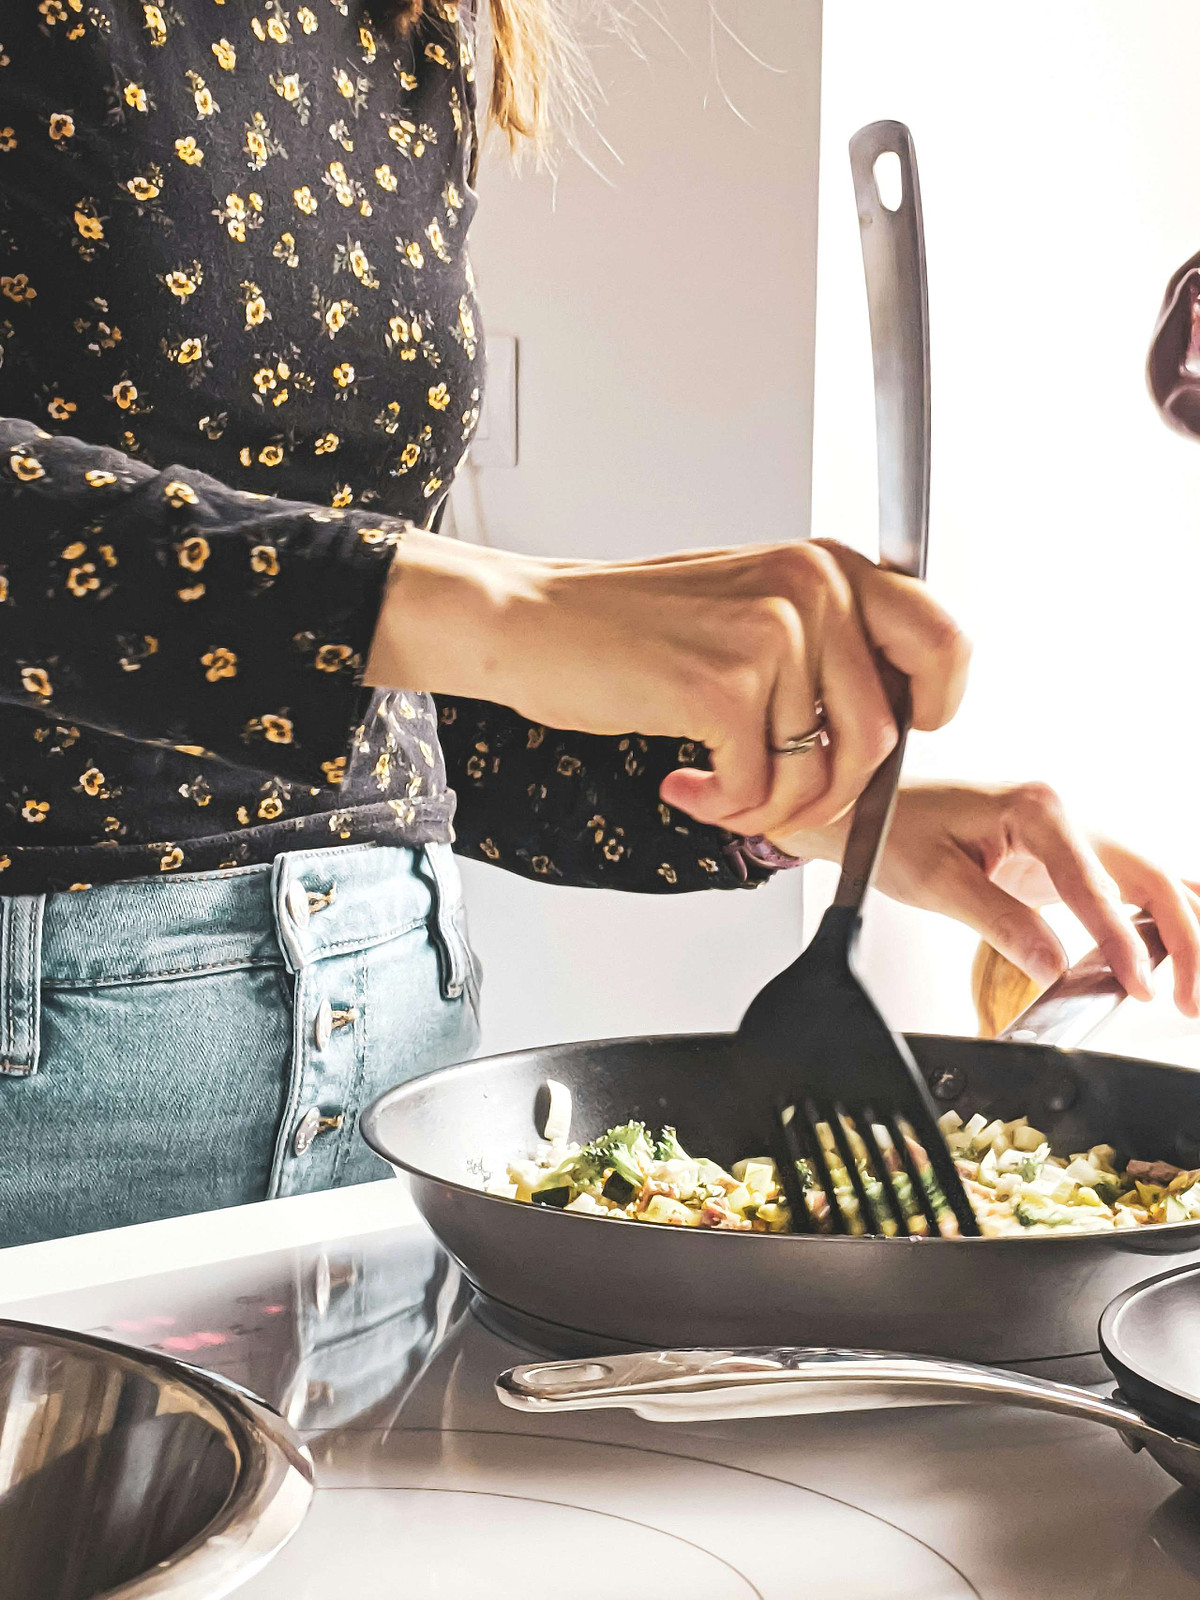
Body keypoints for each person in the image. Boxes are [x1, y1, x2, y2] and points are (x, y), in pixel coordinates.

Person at [0, 0, 1194, 1246]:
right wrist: (516, 608)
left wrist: (813, 806)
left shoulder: (419, 19)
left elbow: (365, 687)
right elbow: (408, 611)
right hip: (45, 1080)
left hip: (394, 1048)